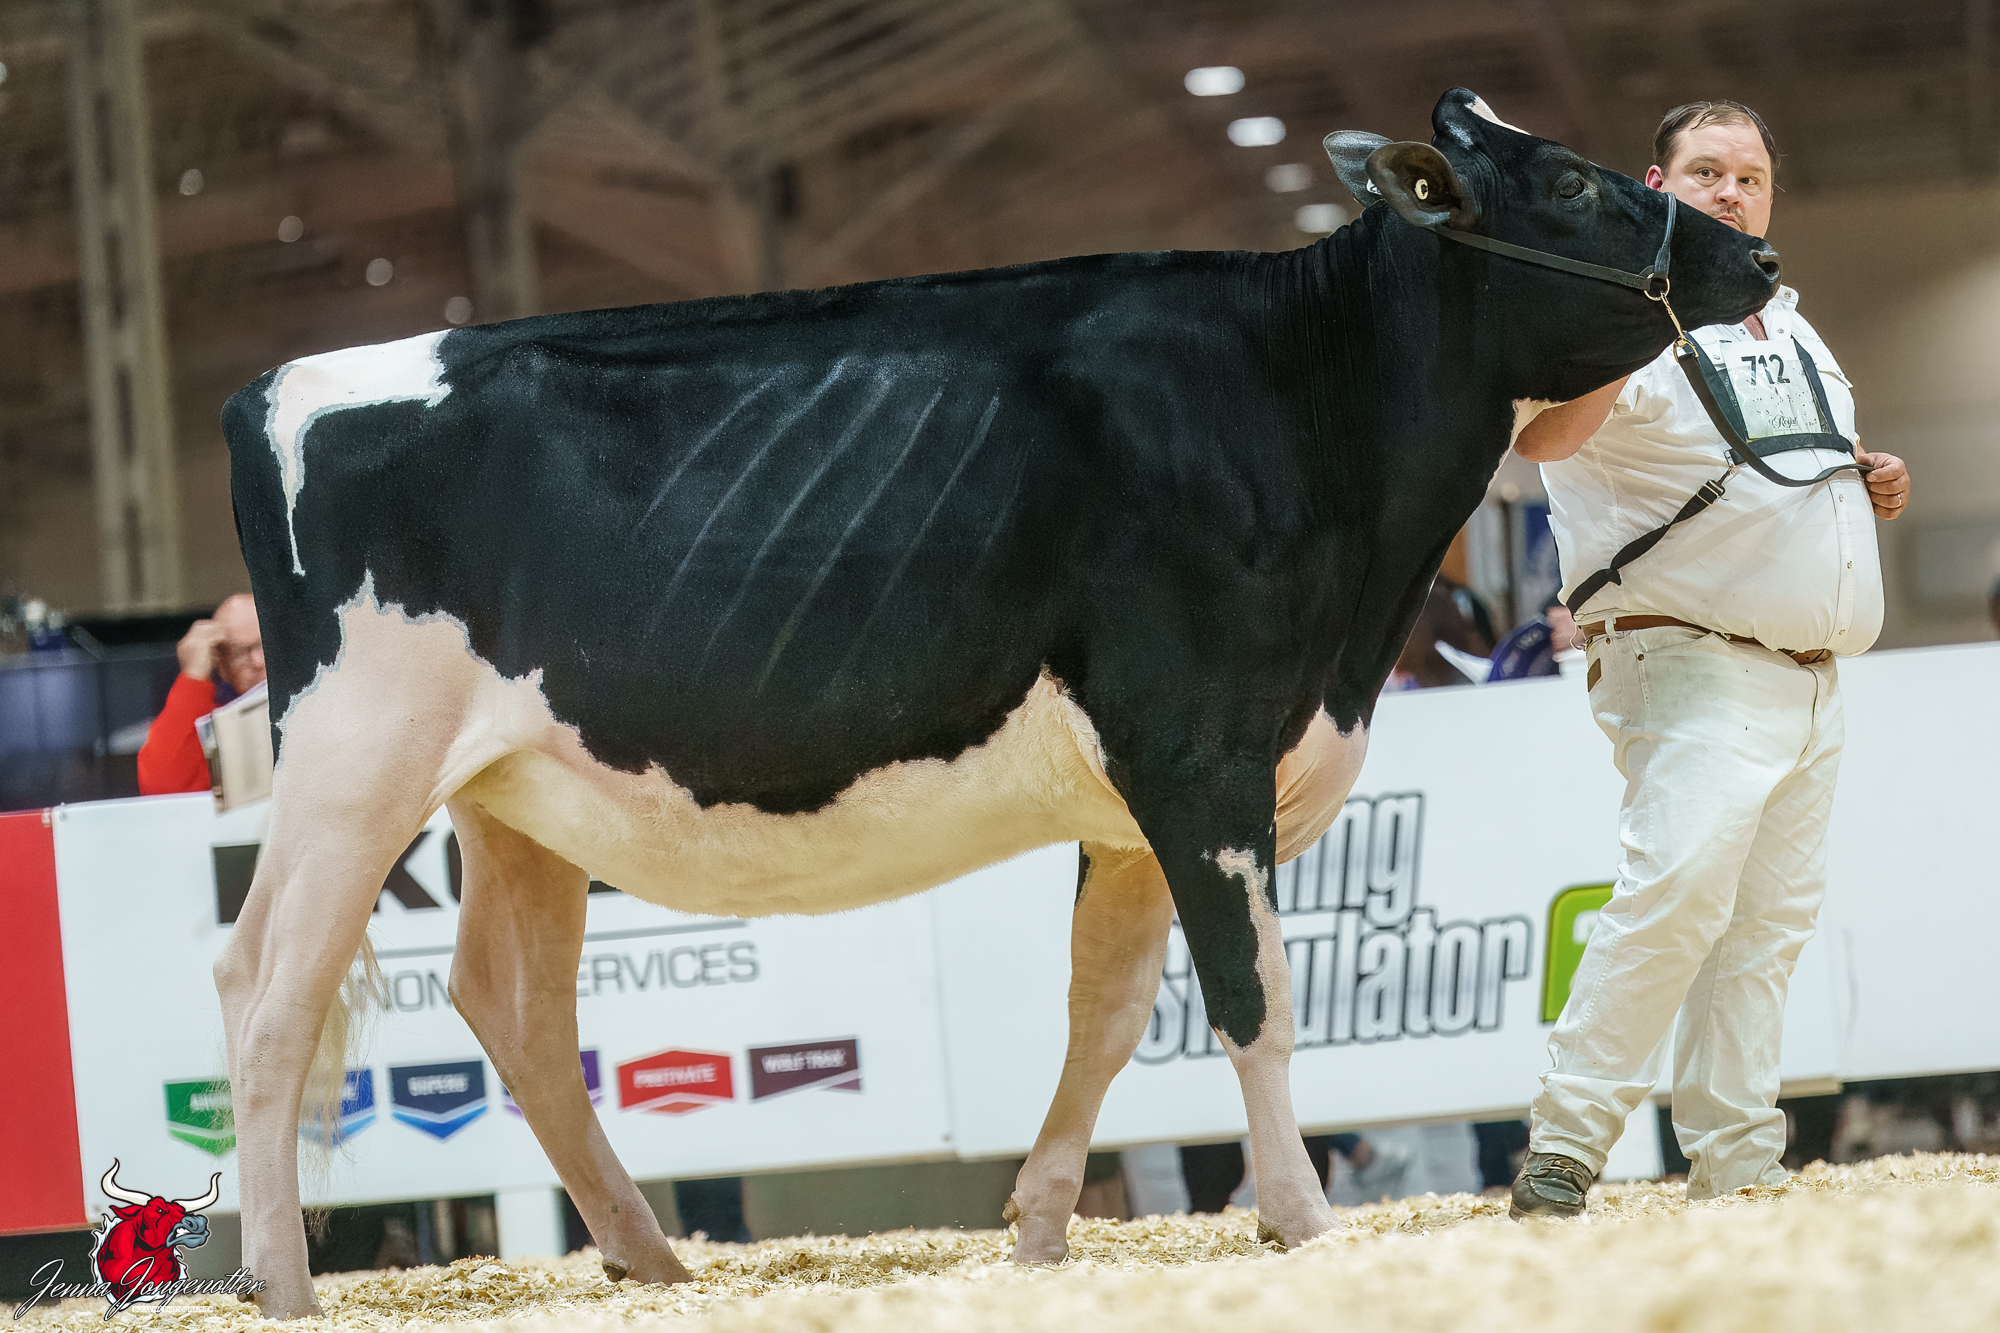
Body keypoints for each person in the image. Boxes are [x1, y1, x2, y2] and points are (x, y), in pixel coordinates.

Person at [1506, 100, 1912, 1217]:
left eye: (1749, 178)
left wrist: (1864, 477)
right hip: (1689, 655)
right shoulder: (1624, 314)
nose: (1731, 193)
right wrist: (1633, 315)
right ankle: (1565, 1145)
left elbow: (1777, 459)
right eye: (1705, 173)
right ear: (1656, 185)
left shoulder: (1785, 320)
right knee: (1676, 887)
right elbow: (1540, 439)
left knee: (1765, 927)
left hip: (1811, 673)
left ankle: (1735, 1162)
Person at [137, 593, 267, 795]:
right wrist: (194, 675)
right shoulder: (216, 722)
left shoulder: (318, 698)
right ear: (222, 666)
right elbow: (163, 788)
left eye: (267, 644)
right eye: (240, 653)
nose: (259, 662)